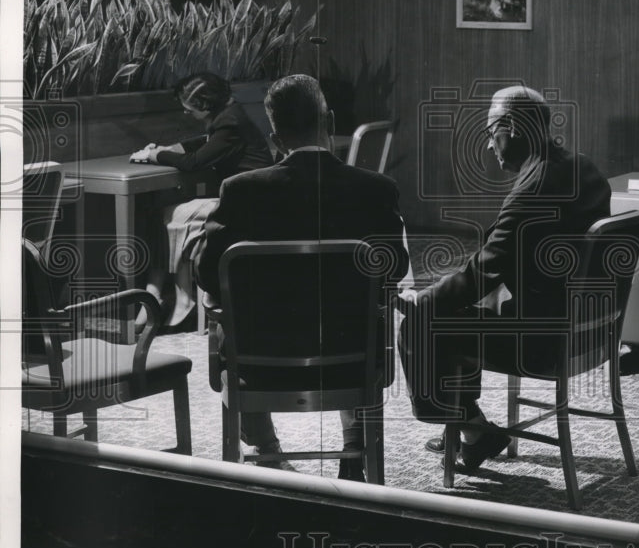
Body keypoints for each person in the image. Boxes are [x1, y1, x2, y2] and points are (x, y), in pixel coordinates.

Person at [192, 74, 409, 478]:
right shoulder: (375, 189)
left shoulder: (240, 190)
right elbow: (394, 270)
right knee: (362, 311)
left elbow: (207, 275)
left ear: (275, 139)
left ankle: (267, 451)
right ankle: (354, 447)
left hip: (259, 366)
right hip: (353, 363)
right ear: (328, 123)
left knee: (230, 321)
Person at [395, 85, 611, 473]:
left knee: (419, 326)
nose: (489, 145)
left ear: (510, 127)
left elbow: (484, 271)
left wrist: (422, 298)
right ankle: (469, 429)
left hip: (542, 342)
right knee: (462, 306)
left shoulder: (532, 188)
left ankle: (474, 431)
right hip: (587, 332)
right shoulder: (583, 167)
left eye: (490, 131)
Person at [130, 72, 273, 327]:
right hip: (247, 200)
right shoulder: (231, 116)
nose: (186, 113)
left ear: (205, 105)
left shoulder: (230, 123)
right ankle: (157, 292)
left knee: (169, 214)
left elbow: (193, 162)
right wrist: (173, 148)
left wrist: (156, 155)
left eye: (189, 108)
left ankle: (175, 297)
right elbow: (208, 144)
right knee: (162, 210)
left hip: (245, 205)